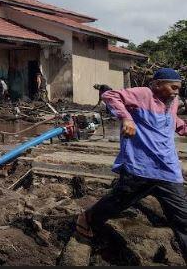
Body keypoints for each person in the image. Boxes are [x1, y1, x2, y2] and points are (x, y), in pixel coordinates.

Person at [75, 68, 187, 261]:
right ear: (157, 85)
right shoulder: (143, 94)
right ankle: (88, 218)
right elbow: (110, 95)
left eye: (179, 88)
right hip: (140, 167)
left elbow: (170, 120)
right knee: (118, 201)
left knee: (183, 219)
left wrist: (183, 127)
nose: (176, 92)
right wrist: (126, 118)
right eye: (173, 87)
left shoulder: (172, 101)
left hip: (168, 170)